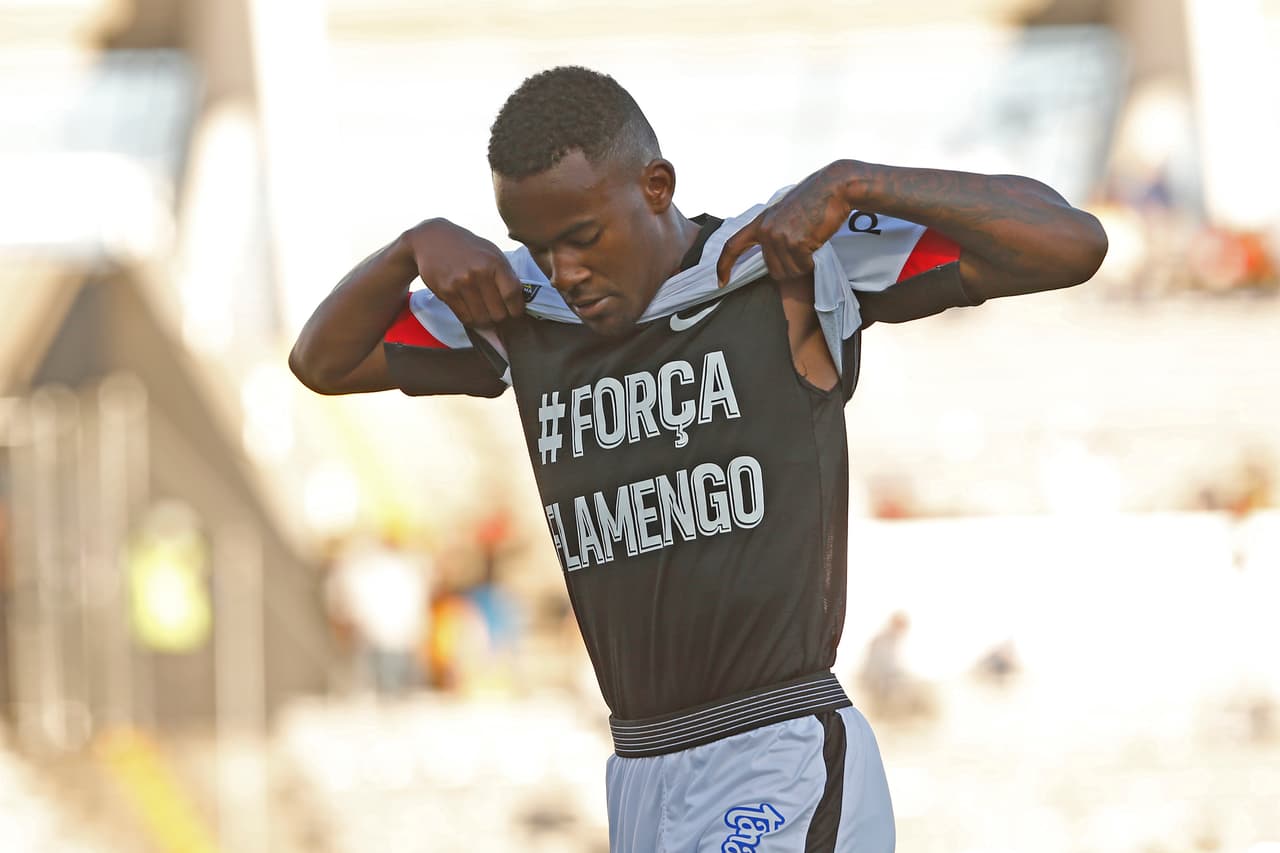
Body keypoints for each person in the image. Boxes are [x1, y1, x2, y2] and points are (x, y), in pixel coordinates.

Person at [289, 66, 1106, 852]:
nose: (565, 271)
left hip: (777, 748)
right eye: (536, 245)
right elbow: (321, 361)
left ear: (656, 186)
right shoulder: (524, 310)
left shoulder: (777, 264)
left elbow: (1071, 242)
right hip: (639, 768)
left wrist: (859, 183)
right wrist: (407, 251)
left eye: (582, 238)